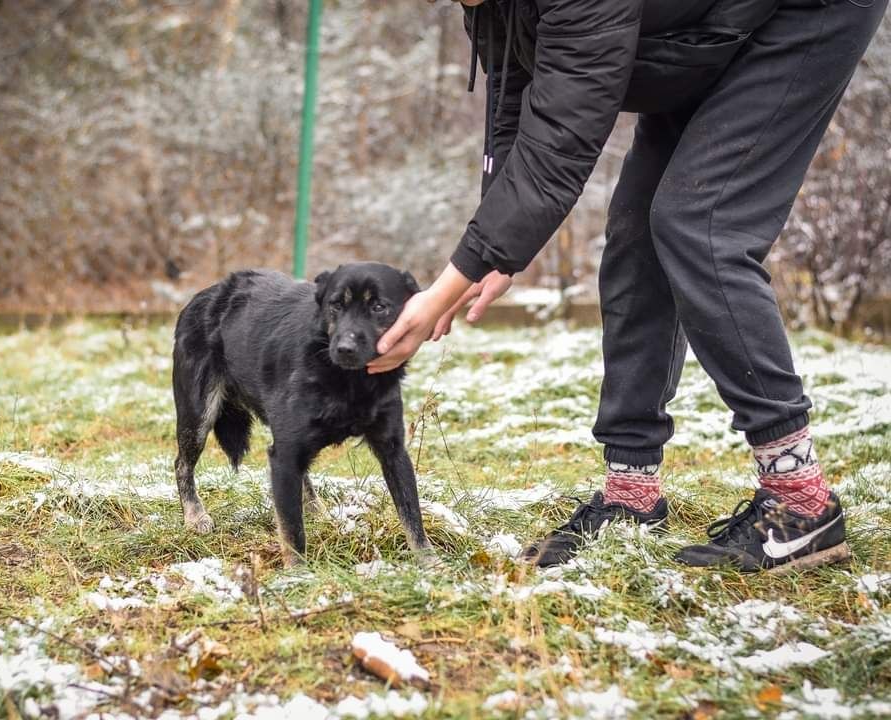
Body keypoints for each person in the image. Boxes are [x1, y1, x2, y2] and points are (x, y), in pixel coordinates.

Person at [366, 0, 887, 572]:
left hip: (805, 12)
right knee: (637, 235)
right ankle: (631, 494)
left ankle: (801, 501)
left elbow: (563, 139)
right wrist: (493, 250)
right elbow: (518, 103)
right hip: (699, 33)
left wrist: (447, 284)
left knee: (701, 225)